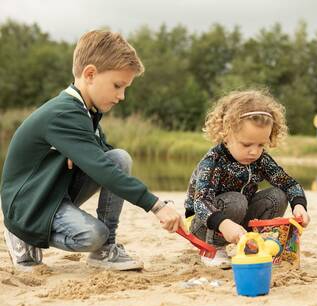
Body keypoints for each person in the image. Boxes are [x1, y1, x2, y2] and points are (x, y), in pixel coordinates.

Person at [1, 30, 183, 272]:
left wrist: (77, 154)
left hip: (52, 191)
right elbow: (101, 169)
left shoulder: (86, 111)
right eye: (117, 86)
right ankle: (22, 234)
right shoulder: (64, 113)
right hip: (29, 204)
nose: (122, 96)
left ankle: (105, 250)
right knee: (93, 234)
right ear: (90, 74)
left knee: (118, 158)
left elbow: (103, 156)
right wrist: (157, 206)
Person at [184, 89, 310, 268]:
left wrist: (299, 204)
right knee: (237, 200)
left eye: (261, 145)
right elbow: (201, 202)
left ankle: (255, 244)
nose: (254, 151)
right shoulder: (214, 160)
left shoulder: (260, 159)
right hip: (204, 224)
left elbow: (288, 183)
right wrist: (224, 224)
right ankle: (213, 249)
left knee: (277, 195)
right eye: (246, 144)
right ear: (226, 134)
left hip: (239, 219)